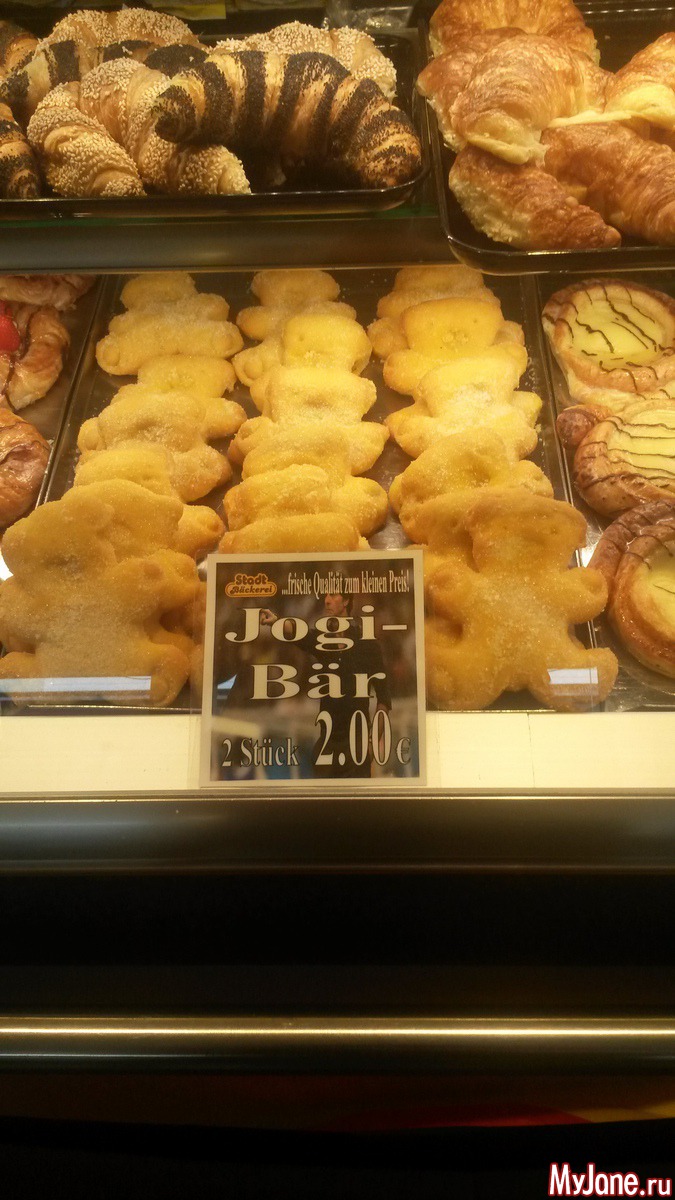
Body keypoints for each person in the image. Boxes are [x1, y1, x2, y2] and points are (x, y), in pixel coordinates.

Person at [260, 592, 391, 779]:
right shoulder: (323, 640)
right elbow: (300, 634)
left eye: (334, 596)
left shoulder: (367, 645)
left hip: (357, 744)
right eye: (326, 596)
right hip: (327, 743)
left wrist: (371, 743)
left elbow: (383, 700)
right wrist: (276, 621)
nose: (327, 600)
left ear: (346, 601)